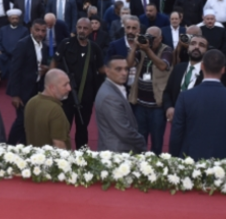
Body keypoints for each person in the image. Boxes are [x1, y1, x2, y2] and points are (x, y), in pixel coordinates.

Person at [169, 50, 226, 161]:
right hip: (224, 161)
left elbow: (177, 133)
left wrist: (175, 158)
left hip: (191, 160)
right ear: (223, 69)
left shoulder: (185, 96)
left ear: (202, 66)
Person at [51, 18, 104, 149]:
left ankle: (82, 159)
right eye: (79, 27)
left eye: (85, 28)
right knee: (63, 128)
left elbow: (100, 70)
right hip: (66, 96)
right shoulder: (66, 43)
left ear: (91, 30)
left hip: (86, 98)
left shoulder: (95, 48)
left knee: (82, 128)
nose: (82, 30)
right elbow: (54, 63)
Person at [6, 19, 49, 145]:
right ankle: (9, 146)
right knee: (22, 120)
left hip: (36, 89)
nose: (40, 33)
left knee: (31, 120)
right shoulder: (22, 44)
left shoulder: (44, 47)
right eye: (37, 30)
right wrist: (15, 94)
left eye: (43, 31)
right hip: (23, 90)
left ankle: (25, 145)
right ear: (31, 30)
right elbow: (15, 70)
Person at [95, 55, 149, 154]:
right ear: (107, 71)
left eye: (126, 69)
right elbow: (124, 131)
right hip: (117, 153)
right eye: (118, 69)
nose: (124, 73)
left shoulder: (112, 89)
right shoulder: (110, 97)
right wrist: (142, 142)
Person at [132, 26, 174, 153]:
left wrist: (147, 50)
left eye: (153, 38)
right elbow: (129, 64)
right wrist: (135, 46)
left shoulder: (167, 49)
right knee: (140, 139)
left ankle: (156, 166)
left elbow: (162, 65)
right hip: (140, 103)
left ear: (160, 38)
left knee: (157, 140)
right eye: (147, 36)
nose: (150, 40)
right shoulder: (142, 49)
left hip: (157, 105)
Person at [163, 35, 209, 123]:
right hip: (176, 120)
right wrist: (169, 107)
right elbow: (167, 92)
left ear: (206, 51)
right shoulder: (178, 68)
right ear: (188, 48)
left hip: (198, 122)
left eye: (201, 45)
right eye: (193, 44)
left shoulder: (208, 73)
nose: (196, 47)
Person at [24, 69, 73, 150]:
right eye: (65, 85)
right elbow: (59, 145)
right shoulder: (55, 110)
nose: (69, 88)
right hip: (51, 161)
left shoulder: (31, 102)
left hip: (34, 158)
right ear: (52, 88)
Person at [0, 9, 28, 80]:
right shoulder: (3, 29)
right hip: (5, 53)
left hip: (18, 54)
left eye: (16, 18)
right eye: (13, 18)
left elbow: (26, 43)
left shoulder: (24, 30)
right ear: (9, 19)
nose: (15, 20)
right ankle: (0, 78)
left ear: (19, 19)